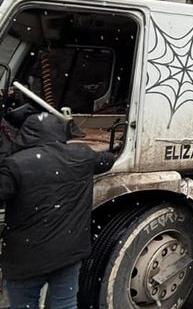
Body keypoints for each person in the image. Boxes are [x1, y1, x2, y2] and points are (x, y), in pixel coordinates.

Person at [0, 109, 115, 309]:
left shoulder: (14, 165)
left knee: (24, 305)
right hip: (68, 255)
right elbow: (109, 161)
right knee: (66, 304)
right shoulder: (83, 156)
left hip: (25, 260)